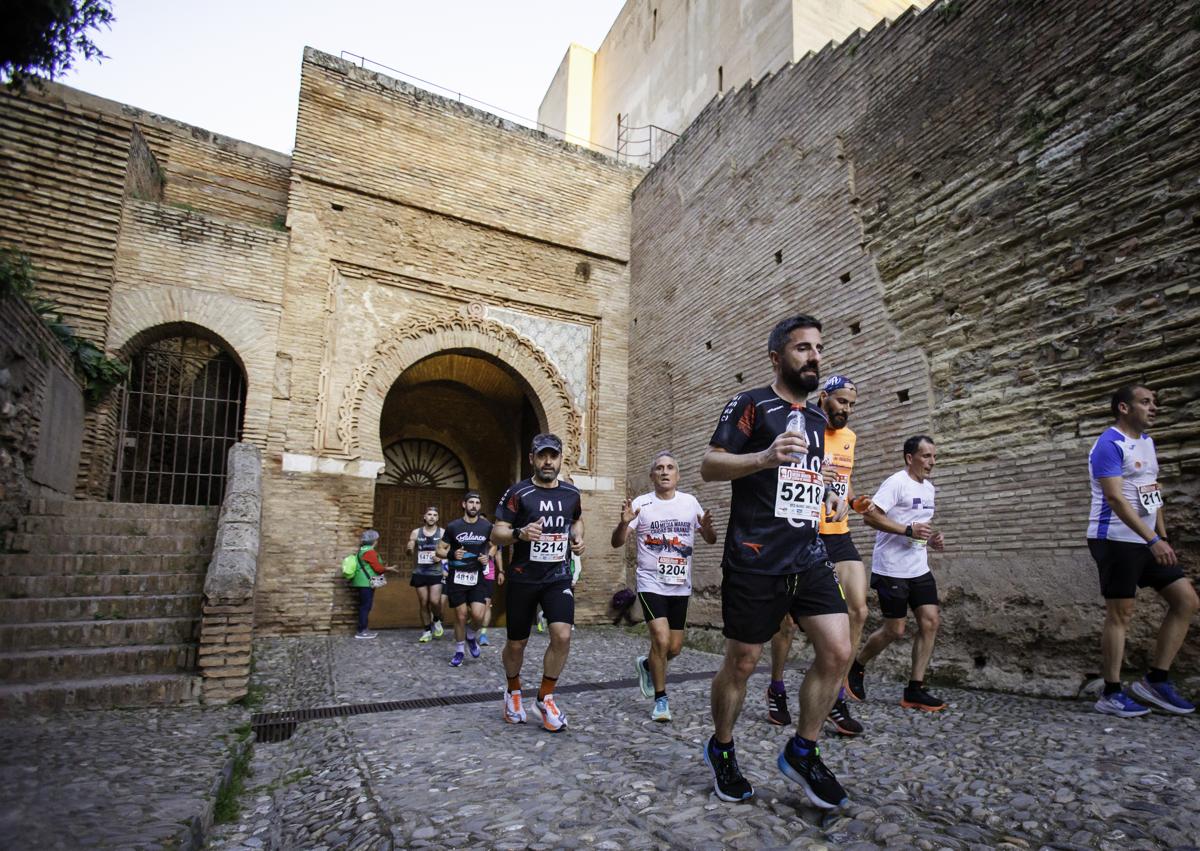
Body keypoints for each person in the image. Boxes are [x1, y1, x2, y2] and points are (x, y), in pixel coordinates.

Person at [700, 314, 851, 809]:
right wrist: (762, 458)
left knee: (837, 650)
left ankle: (802, 750)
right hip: (754, 557)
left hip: (807, 555)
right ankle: (722, 748)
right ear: (776, 356)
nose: (814, 356)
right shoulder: (751, 405)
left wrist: (831, 495)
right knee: (743, 662)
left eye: (818, 348)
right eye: (802, 348)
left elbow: (812, 477)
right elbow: (710, 463)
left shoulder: (817, 420)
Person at [768, 375, 871, 736]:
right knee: (786, 624)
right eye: (842, 402)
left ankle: (834, 693)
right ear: (824, 397)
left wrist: (854, 501)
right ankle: (777, 686)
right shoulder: (804, 427)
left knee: (858, 610)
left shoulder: (850, 438)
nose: (847, 410)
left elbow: (846, 480)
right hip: (804, 533)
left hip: (838, 533)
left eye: (852, 405)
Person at [1087, 385, 1197, 717]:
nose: (1154, 408)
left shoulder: (1147, 443)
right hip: (1115, 540)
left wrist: (1162, 536)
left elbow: (1151, 491)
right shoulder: (1108, 444)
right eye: (1145, 402)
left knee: (1187, 601)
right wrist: (1153, 540)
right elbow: (1116, 499)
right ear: (1123, 407)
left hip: (1148, 539)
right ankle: (1111, 692)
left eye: (1154, 402)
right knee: (1121, 613)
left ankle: (1156, 680)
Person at [613, 450, 716, 722]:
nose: (665, 471)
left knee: (674, 648)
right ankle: (661, 700)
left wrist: (706, 529)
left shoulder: (690, 502)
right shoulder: (641, 504)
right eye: (659, 468)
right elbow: (617, 542)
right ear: (652, 476)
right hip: (650, 583)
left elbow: (711, 539)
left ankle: (647, 665)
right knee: (661, 639)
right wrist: (623, 525)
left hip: (680, 585)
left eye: (670, 467)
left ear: (678, 475)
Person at [491, 433, 584, 732]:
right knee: (517, 644)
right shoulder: (518, 493)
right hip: (523, 578)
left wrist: (577, 537)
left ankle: (545, 697)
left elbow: (577, 519)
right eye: (542, 456)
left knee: (562, 636)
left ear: (560, 459)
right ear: (532, 458)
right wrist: (519, 534)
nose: (548, 461)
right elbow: (497, 533)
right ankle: (513, 690)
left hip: (557, 577)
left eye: (553, 456)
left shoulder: (571, 493)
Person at [849, 435, 948, 711]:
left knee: (930, 622)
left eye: (934, 456)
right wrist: (906, 530)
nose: (932, 462)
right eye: (926, 456)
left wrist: (931, 539)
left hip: (919, 566)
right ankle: (856, 666)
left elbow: (918, 528)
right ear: (909, 458)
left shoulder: (930, 489)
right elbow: (870, 517)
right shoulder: (896, 483)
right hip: (891, 568)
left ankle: (914, 690)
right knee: (895, 629)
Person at [437, 491, 495, 667]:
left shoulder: (486, 526)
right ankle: (460, 650)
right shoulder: (454, 526)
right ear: (464, 504)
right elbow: (439, 550)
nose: (474, 506)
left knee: (478, 615)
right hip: (457, 577)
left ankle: (471, 635)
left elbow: (494, 546)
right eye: (471, 502)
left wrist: (488, 556)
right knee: (461, 616)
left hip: (477, 576)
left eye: (477, 503)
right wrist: (451, 553)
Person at [406, 507, 445, 643]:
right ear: (425, 517)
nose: (432, 517)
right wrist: (410, 548)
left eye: (435, 515)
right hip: (420, 572)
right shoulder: (416, 532)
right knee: (423, 603)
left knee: (434, 601)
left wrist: (441, 558)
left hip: (436, 572)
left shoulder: (442, 532)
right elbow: (410, 546)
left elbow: (449, 548)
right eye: (429, 514)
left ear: (438, 518)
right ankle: (427, 630)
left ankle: (437, 619)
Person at [350, 529, 397, 639]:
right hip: (366, 583)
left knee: (364, 606)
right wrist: (388, 568)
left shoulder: (362, 550)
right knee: (365, 606)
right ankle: (361, 631)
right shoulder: (370, 552)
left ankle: (363, 629)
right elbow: (378, 569)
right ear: (374, 540)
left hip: (361, 581)